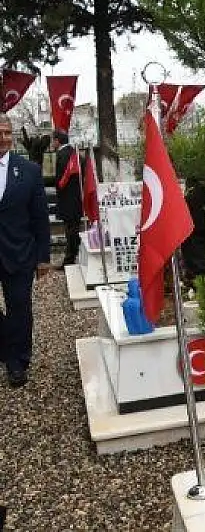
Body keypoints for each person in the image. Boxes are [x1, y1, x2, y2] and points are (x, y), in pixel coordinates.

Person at [0, 115, 52, 387]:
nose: (4, 137)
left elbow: (40, 218)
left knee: (19, 308)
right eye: (0, 132)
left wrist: (43, 258)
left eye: (7, 132)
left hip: (19, 254)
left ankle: (18, 362)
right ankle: (6, 348)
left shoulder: (29, 171)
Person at [51, 130, 83, 267]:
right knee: (73, 229)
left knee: (70, 231)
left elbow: (60, 179)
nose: (52, 143)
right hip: (76, 198)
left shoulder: (63, 155)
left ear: (57, 140)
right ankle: (74, 255)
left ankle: (69, 260)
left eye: (53, 140)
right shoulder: (75, 153)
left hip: (67, 199)